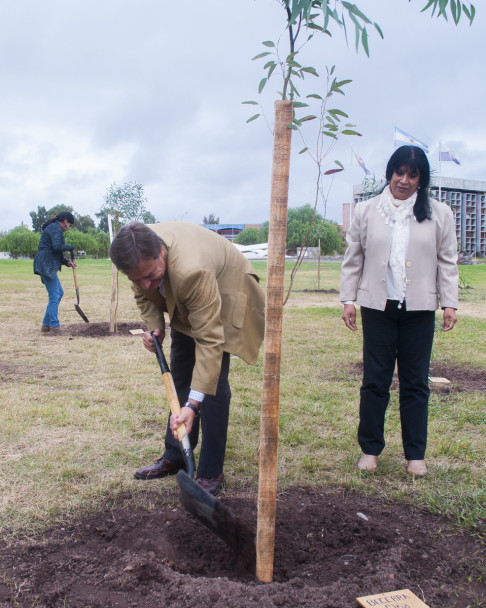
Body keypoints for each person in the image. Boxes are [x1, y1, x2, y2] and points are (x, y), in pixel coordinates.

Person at [109, 221, 265, 495]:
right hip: (185, 292)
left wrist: (193, 404)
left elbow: (209, 340)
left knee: (212, 385)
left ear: (161, 251)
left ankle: (210, 472)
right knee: (181, 370)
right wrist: (157, 326)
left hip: (228, 288)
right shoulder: (137, 258)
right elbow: (144, 294)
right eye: (137, 277)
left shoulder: (192, 271)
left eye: (151, 274)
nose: (146, 283)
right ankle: (177, 453)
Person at [339, 145, 458, 477]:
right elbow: (354, 259)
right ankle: (370, 450)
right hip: (378, 308)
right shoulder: (366, 211)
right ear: (390, 172)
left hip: (419, 310)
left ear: (421, 178)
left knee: (415, 383)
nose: (404, 180)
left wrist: (449, 302)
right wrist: (349, 299)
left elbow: (447, 261)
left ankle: (415, 456)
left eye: (412, 174)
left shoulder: (439, 213)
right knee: (375, 381)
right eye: (399, 172)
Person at [33, 211, 76, 335]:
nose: (69, 228)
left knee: (59, 293)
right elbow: (57, 247)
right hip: (46, 264)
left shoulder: (55, 228)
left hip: (48, 263)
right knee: (54, 296)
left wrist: (67, 262)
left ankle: (46, 325)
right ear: (65, 222)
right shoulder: (55, 228)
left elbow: (55, 250)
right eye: (70, 225)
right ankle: (54, 326)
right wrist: (70, 247)